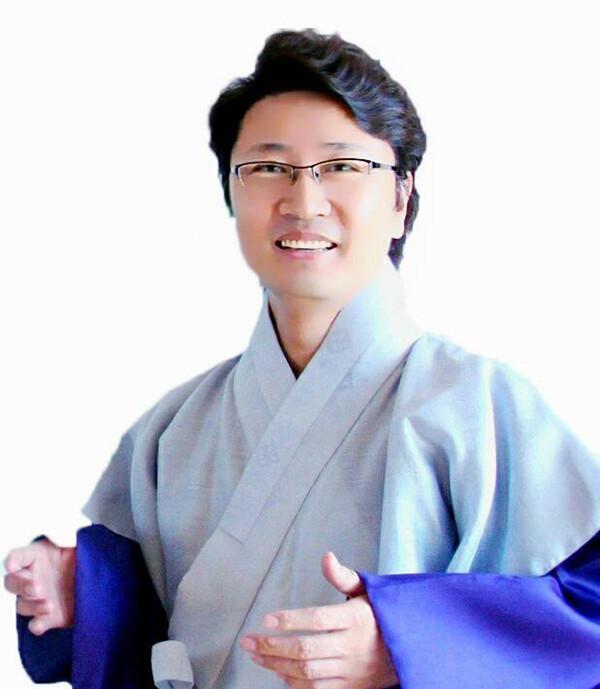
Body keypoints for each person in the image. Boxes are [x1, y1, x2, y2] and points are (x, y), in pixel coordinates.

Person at [4, 27, 600, 689]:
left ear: (400, 199)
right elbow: (139, 623)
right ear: (232, 197)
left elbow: (588, 612)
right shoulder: (173, 428)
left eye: (342, 166)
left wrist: (408, 641)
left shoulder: (478, 405)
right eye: (268, 168)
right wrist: (78, 591)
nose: (303, 201)